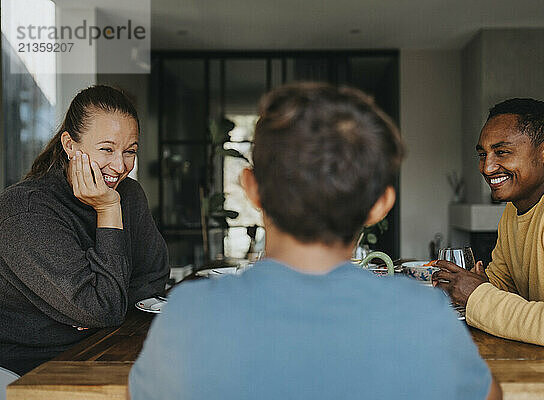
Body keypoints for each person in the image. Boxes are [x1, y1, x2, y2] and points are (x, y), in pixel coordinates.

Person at [129, 83, 501, 399]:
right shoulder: (423, 314)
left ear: (251, 189)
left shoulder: (189, 314)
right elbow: (489, 395)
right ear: (380, 205)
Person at [0, 85, 169, 376]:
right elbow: (103, 308)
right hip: (31, 369)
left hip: (106, 347)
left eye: (130, 151)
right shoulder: (26, 211)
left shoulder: (128, 194)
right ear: (70, 145)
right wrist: (107, 211)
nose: (120, 165)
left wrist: (106, 306)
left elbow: (155, 274)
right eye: (106, 149)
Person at [432, 98, 544, 361]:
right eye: (482, 154)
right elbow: (502, 287)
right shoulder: (515, 208)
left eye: (502, 152)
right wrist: (472, 286)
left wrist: (478, 297)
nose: (486, 167)